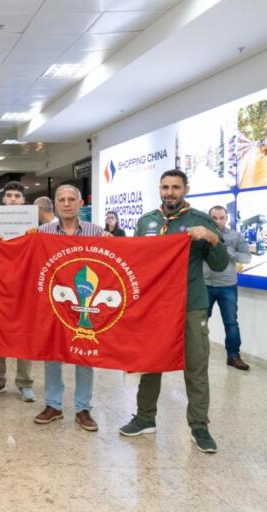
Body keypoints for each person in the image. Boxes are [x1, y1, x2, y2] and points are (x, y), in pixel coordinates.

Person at [119, 169, 228, 454]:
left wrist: (212, 238)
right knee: (150, 363)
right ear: (160, 189)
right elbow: (136, 263)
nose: (170, 192)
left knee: (196, 367)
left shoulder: (201, 221)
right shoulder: (147, 221)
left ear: (186, 189)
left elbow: (219, 265)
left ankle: (199, 426)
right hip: (155, 308)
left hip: (190, 305)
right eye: (166, 187)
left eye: (176, 187)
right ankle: (144, 418)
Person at [34, 185, 104, 432]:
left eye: (71, 199)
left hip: (85, 301)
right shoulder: (42, 232)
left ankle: (83, 408)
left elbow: (118, 257)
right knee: (53, 353)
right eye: (61, 200)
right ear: (55, 203)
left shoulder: (97, 232)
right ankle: (53, 405)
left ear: (80, 202)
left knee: (85, 353)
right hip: (55, 301)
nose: (66, 204)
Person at [0, 181, 36, 402]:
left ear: (23, 201)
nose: (13, 199)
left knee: (25, 333)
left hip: (24, 286)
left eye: (17, 196)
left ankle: (24, 382)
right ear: (3, 200)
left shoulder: (33, 227)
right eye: (10, 196)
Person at [204, 206, 251, 370]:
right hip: (205, 284)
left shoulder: (235, 236)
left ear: (227, 218)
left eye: (221, 217)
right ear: (209, 219)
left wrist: (230, 252)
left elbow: (247, 257)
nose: (218, 221)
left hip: (227, 286)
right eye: (214, 218)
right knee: (200, 322)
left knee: (231, 323)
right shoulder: (202, 236)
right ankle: (196, 356)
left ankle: (234, 356)